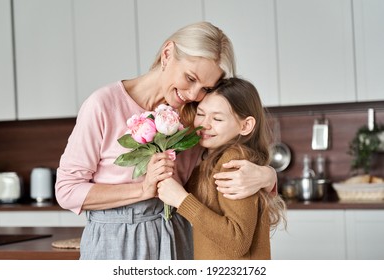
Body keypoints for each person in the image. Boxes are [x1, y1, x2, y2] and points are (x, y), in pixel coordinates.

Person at [55, 21, 277, 260]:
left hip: (176, 231)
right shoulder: (103, 105)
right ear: (167, 54)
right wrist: (142, 190)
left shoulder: (195, 114)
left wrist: (269, 176)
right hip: (116, 239)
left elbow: (218, 166)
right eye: (190, 78)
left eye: (206, 88)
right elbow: (67, 191)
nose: (193, 94)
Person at [157, 77, 286, 260]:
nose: (204, 124)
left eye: (217, 118)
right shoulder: (206, 157)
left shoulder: (233, 162)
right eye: (201, 114)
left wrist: (181, 200)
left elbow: (237, 241)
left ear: (246, 125)